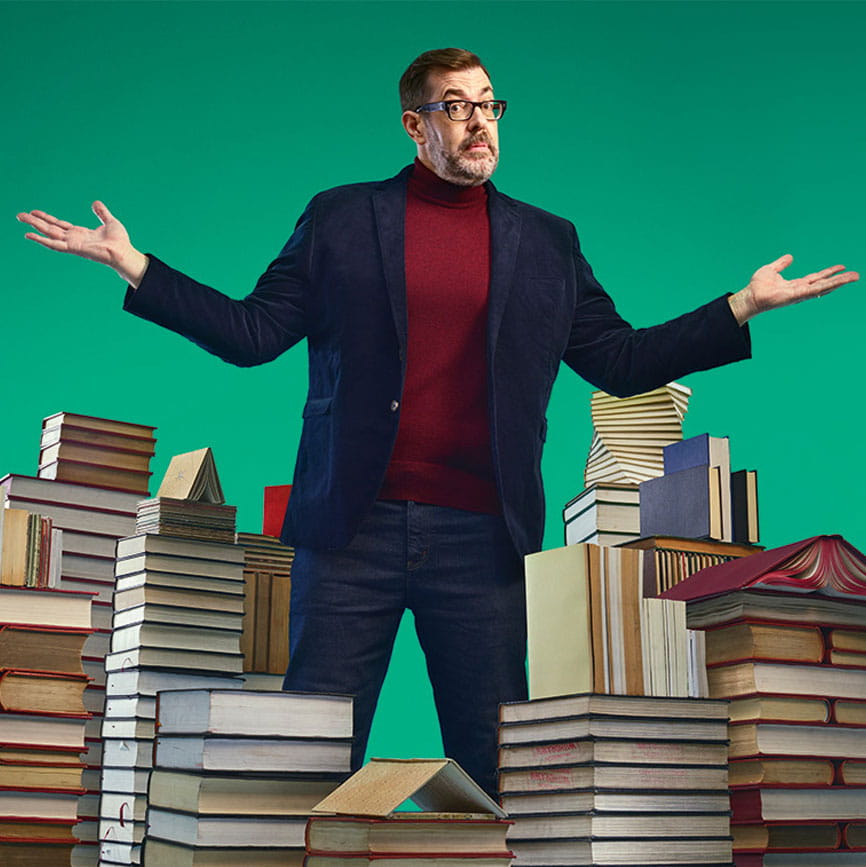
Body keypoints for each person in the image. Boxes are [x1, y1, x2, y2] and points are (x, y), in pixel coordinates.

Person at [17, 48, 858, 799]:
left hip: (481, 540)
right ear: (415, 124)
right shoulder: (342, 218)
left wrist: (742, 305)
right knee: (307, 760)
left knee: (496, 768)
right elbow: (254, 334)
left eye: (490, 103)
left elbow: (620, 360)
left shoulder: (548, 241)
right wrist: (134, 265)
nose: (479, 122)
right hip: (350, 530)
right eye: (457, 105)